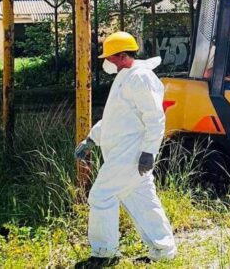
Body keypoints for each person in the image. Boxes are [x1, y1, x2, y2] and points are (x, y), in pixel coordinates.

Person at [74, 31, 176, 264]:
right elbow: (115, 118)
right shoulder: (126, 76)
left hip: (131, 154)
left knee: (101, 196)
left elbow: (155, 117)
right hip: (126, 152)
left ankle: (104, 254)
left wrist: (149, 152)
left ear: (121, 56)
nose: (106, 62)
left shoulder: (140, 77)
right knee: (142, 200)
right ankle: (163, 252)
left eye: (109, 58)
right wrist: (92, 139)